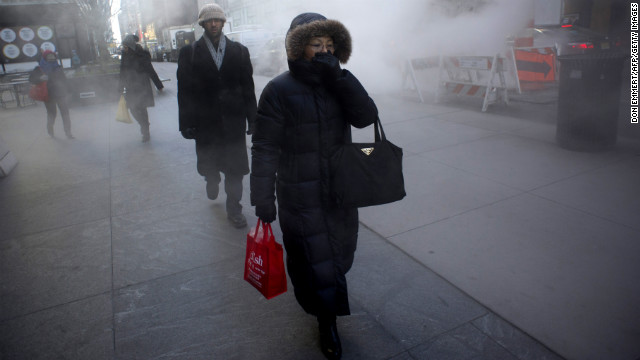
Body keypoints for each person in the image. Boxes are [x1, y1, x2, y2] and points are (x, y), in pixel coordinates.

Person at [250, 13, 378, 360]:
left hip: (340, 190)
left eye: (329, 46)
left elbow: (366, 116)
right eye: (315, 45)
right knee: (315, 261)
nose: (324, 52)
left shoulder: (340, 81)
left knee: (340, 252)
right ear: (297, 48)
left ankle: (326, 304)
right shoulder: (278, 90)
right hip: (299, 195)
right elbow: (264, 148)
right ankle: (327, 323)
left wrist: (342, 78)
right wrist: (262, 197)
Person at [177, 3, 257, 229]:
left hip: (233, 122)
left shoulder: (239, 51)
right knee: (210, 163)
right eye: (209, 20)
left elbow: (247, 88)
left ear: (223, 22)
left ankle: (234, 209)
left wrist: (254, 119)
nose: (214, 24)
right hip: (205, 122)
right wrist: (186, 123)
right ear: (203, 24)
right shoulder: (189, 53)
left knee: (236, 169)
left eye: (218, 20)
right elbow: (185, 91)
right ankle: (211, 179)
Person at [119, 34, 164, 143]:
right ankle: (144, 124)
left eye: (125, 46)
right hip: (130, 87)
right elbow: (122, 73)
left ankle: (145, 132)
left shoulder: (142, 55)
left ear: (130, 46)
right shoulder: (124, 55)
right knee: (133, 109)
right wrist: (120, 88)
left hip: (142, 86)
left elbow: (150, 70)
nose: (124, 49)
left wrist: (159, 85)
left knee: (142, 108)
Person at [29, 50, 74, 139]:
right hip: (48, 95)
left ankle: (68, 132)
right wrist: (40, 78)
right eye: (49, 56)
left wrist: (69, 91)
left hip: (60, 94)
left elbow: (64, 80)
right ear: (45, 57)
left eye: (53, 56)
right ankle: (50, 131)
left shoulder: (58, 67)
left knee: (65, 113)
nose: (51, 58)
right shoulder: (39, 69)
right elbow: (31, 79)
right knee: (52, 114)